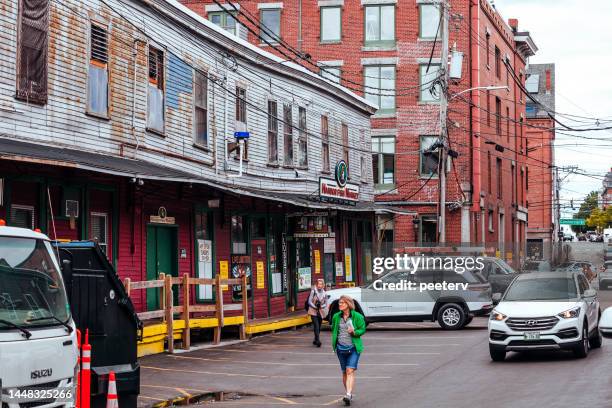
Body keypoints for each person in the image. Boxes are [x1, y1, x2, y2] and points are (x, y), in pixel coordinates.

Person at [331, 295, 366, 406]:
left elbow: (362, 329)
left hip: (353, 348)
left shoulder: (357, 316)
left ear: (348, 304)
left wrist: (354, 332)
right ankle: (348, 393)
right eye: (339, 303)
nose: (340, 304)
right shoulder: (336, 316)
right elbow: (334, 330)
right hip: (340, 348)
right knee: (344, 372)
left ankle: (348, 394)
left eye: (342, 303)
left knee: (350, 370)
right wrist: (335, 345)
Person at [307, 279, 329, 347]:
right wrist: (315, 306)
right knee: (316, 325)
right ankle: (318, 341)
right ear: (317, 285)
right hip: (313, 310)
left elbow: (326, 303)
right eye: (318, 284)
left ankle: (315, 339)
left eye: (321, 284)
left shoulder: (325, 293)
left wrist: (321, 306)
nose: (319, 286)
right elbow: (309, 301)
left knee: (319, 326)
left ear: (323, 285)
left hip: (320, 311)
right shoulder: (313, 291)